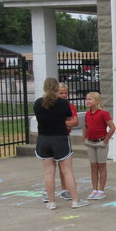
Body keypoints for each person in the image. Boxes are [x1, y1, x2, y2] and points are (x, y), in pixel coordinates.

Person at [33, 78, 88, 210]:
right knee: (67, 170)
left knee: (48, 172)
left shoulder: (37, 103)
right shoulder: (63, 104)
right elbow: (69, 118)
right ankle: (75, 200)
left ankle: (51, 202)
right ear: (56, 88)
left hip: (43, 139)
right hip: (59, 138)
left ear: (45, 88)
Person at [42, 83, 79, 203]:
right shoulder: (46, 104)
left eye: (65, 93)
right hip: (55, 137)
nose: (64, 95)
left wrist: (60, 123)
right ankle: (50, 194)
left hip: (60, 136)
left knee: (64, 168)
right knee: (51, 169)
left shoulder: (68, 105)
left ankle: (65, 190)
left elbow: (74, 121)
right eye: (61, 92)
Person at [83, 91, 116, 200]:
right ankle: (94, 189)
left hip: (100, 142)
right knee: (93, 166)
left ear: (97, 101)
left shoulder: (103, 113)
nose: (87, 101)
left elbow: (112, 127)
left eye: (90, 99)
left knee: (101, 165)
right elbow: (86, 126)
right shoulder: (87, 114)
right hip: (90, 142)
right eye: (87, 99)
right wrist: (85, 138)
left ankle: (101, 190)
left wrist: (105, 141)